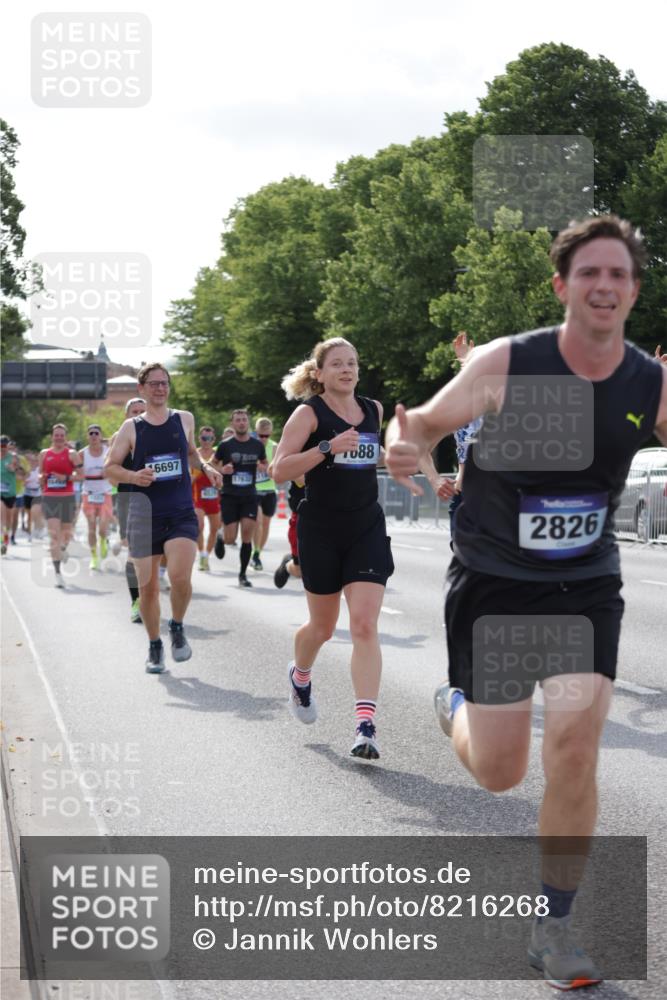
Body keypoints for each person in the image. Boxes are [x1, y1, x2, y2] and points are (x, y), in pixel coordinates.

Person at [385, 215, 667, 989]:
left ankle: (555, 926)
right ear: (562, 286)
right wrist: (407, 447)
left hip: (586, 587)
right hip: (496, 582)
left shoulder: (648, 380)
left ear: (633, 291)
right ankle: (456, 706)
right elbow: (423, 425)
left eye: (618, 275)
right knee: (502, 775)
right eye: (589, 274)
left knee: (574, 752)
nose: (604, 286)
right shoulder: (504, 362)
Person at [272, 337, 395, 761]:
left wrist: (388, 456)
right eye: (337, 364)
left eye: (352, 363)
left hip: (365, 525)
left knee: (363, 625)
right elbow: (278, 470)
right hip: (321, 527)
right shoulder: (308, 414)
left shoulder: (373, 410)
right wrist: (326, 448)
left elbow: (373, 455)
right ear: (319, 373)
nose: (346, 369)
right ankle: (300, 675)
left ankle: (365, 725)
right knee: (321, 628)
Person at [104, 363, 221, 672]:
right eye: (153, 384)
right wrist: (132, 474)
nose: (159, 388)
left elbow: (192, 453)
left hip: (180, 511)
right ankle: (155, 645)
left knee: (181, 577)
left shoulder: (184, 419)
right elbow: (109, 468)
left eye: (164, 383)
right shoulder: (131, 428)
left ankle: (178, 625)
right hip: (143, 517)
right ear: (141, 389)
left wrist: (206, 468)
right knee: (148, 589)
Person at [212, 409, 267, 588]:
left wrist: (262, 467)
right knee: (230, 538)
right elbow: (212, 464)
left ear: (248, 422)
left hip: (249, 495)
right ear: (233, 423)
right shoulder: (225, 445)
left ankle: (242, 574)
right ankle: (221, 537)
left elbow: (264, 463)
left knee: (246, 536)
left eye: (244, 420)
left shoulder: (257, 445)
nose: (242, 423)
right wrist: (222, 470)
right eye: (238, 420)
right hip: (230, 495)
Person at [110, 397, 146, 621]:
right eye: (134, 411)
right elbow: (110, 473)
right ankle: (136, 602)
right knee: (134, 553)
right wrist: (131, 479)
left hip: (159, 500)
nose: (138, 414)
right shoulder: (118, 437)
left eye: (142, 411)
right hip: (130, 499)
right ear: (127, 415)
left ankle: (148, 595)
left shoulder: (158, 433)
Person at [39, 424, 83, 588]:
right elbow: (41, 473)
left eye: (61, 435)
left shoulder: (72, 454)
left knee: (66, 534)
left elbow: (81, 476)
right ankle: (58, 574)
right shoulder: (44, 454)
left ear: (65, 437)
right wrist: (41, 478)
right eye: (56, 435)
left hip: (67, 498)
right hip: (50, 498)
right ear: (52, 436)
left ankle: (63, 548)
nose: (58, 438)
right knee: (54, 536)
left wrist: (64, 478)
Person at [79, 424, 114, 570]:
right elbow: (78, 473)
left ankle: (104, 539)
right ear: (88, 436)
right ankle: (94, 557)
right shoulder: (82, 454)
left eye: (96, 433)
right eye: (91, 433)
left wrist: (109, 473)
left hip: (105, 493)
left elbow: (114, 468)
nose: (94, 436)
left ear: (100, 436)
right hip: (89, 494)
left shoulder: (108, 452)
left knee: (102, 528)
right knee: (91, 527)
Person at [191, 425, 221, 571]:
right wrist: (196, 475)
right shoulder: (194, 454)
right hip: (198, 496)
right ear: (199, 438)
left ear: (213, 439)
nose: (206, 441)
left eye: (209, 438)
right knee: (199, 526)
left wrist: (224, 471)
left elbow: (223, 473)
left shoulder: (218, 455)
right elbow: (188, 479)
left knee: (215, 528)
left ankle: (206, 555)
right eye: (204, 438)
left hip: (214, 497)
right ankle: (201, 553)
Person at [251, 417, 278, 570]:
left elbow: (277, 469)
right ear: (256, 432)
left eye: (266, 436)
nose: (263, 439)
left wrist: (268, 468)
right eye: (261, 435)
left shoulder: (274, 447)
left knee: (266, 524)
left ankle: (257, 553)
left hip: (269, 489)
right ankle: (254, 553)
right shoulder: (251, 445)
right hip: (254, 490)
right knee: (258, 521)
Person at [273, 479, 305, 589]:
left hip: (338, 515)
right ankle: (287, 565)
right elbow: (274, 471)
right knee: (300, 571)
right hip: (303, 515)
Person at [1, 436, 19, 554]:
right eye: (0, 445)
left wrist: (12, 468)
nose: (2, 448)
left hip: (10, 492)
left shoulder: (12, 457)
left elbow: (17, 469)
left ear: (8, 446)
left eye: (4, 446)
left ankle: (5, 541)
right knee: (1, 517)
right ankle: (2, 541)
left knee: (8, 521)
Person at [22, 452, 43, 539]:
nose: (33, 462)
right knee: (29, 514)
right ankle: (29, 532)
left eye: (35, 461)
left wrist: (41, 481)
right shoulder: (26, 470)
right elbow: (22, 482)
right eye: (31, 461)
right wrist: (25, 480)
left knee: (37, 512)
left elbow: (43, 480)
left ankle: (38, 529)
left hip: (37, 493)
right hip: (27, 493)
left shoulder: (40, 470)